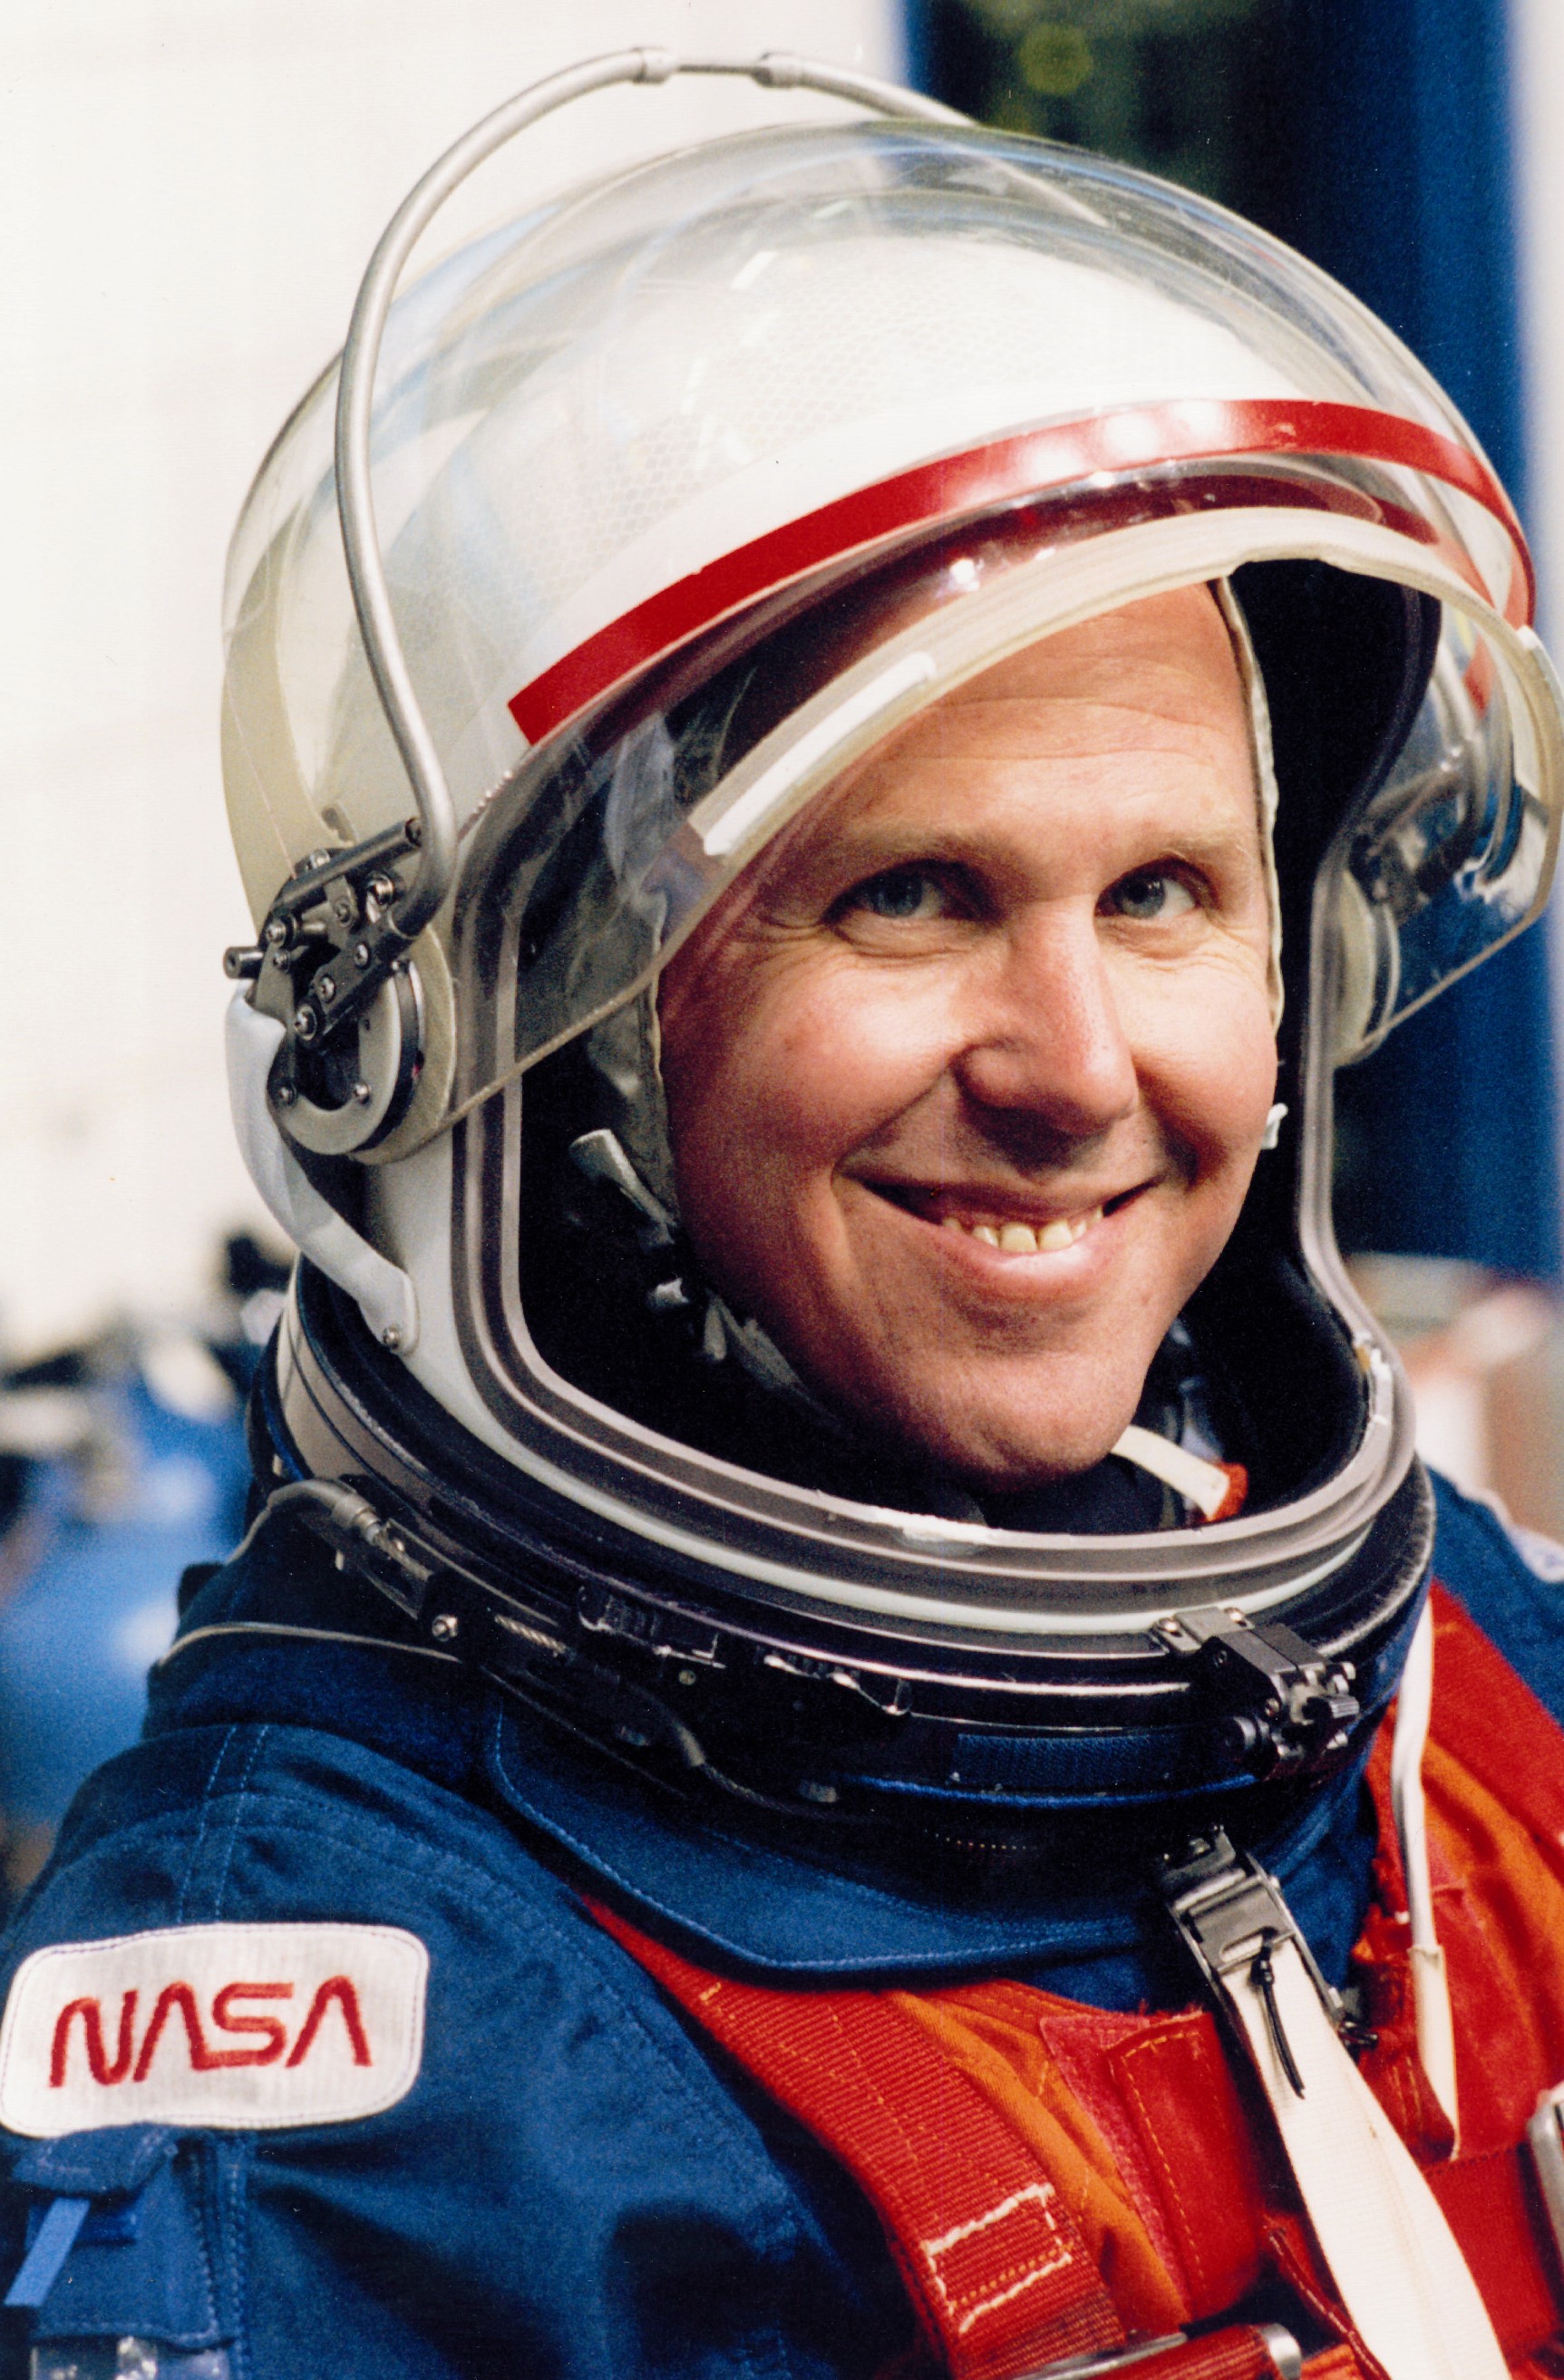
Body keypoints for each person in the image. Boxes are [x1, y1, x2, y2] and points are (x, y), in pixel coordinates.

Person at [2, 47, 1563, 2380]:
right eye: (907, 895)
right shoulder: (359, 2070)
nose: (1074, 1068)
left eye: (1160, 891)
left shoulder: (1447, 1666)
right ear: (564, 1050)